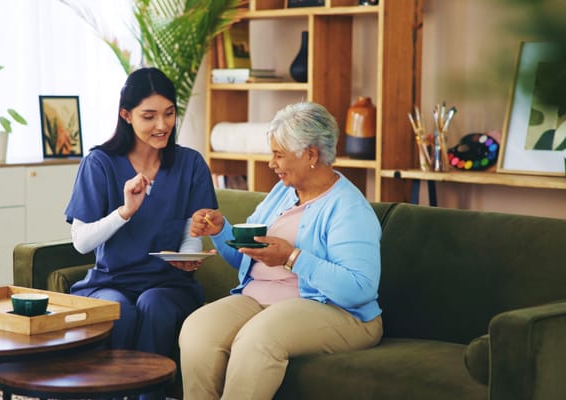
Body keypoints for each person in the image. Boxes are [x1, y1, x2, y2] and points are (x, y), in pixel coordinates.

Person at [179, 101, 383, 399]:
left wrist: (292, 257)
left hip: (338, 311)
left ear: (311, 154)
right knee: (199, 330)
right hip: (260, 299)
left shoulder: (348, 208)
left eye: (279, 155)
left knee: (257, 339)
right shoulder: (283, 192)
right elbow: (246, 258)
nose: (272, 164)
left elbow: (359, 288)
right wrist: (222, 232)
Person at [64, 67, 218, 398]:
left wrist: (189, 258)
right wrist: (125, 212)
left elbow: (193, 233)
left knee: (154, 304)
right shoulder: (100, 163)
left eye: (168, 114)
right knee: (118, 310)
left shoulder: (190, 164)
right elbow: (81, 242)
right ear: (126, 115)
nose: (161, 126)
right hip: (109, 281)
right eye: (149, 116)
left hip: (169, 285)